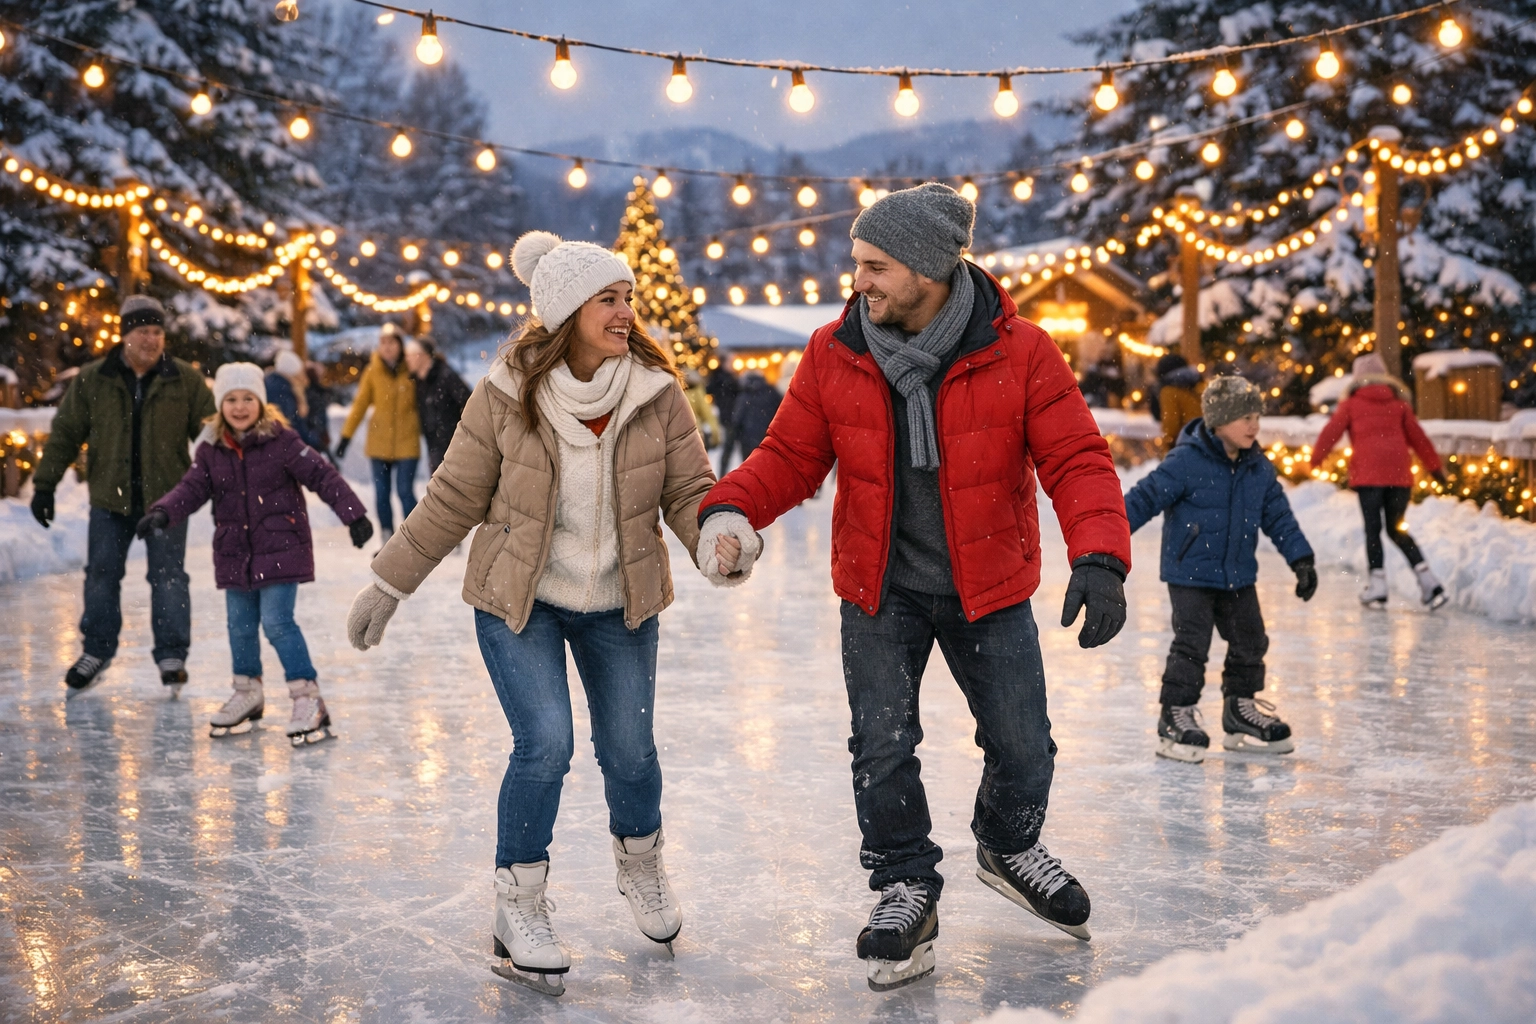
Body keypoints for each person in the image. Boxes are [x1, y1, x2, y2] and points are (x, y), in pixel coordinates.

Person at [699, 183, 1131, 990]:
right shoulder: (836, 351)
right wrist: (729, 509)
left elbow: (1076, 458)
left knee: (1023, 744)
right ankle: (905, 884)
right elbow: (789, 456)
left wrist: (1100, 555)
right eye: (857, 263)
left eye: (875, 266)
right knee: (883, 747)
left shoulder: (1021, 351)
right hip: (882, 588)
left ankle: (1008, 844)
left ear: (928, 267)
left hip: (989, 584)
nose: (857, 280)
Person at [344, 231, 718, 996]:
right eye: (608, 299)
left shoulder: (655, 390)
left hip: (620, 602)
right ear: (567, 311)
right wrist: (389, 583)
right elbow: (453, 497)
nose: (625, 311)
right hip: (521, 599)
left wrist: (717, 537)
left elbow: (689, 491)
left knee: (630, 751)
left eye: (627, 297)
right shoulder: (506, 393)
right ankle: (517, 904)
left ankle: (640, 864)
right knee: (545, 743)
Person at [137, 364, 373, 743]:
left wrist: (354, 515)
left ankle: (308, 698)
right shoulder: (211, 450)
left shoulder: (282, 441)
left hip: (281, 548)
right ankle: (248, 691)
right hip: (235, 553)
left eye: (248, 398)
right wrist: (163, 512)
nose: (240, 406)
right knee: (239, 626)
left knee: (278, 623)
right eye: (231, 399)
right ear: (220, 405)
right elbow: (191, 488)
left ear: (261, 402)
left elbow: (322, 475)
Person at [1124, 375, 1316, 765]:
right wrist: (1104, 538)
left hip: (1238, 574)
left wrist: (1301, 559)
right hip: (1190, 573)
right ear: (1219, 420)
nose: (1254, 426)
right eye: (1246, 418)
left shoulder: (1257, 467)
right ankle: (1175, 714)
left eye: (1257, 417)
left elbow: (1278, 516)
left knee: (1251, 640)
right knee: (1191, 645)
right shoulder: (1186, 461)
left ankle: (1239, 710)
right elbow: (1143, 499)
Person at [30, 295, 216, 697]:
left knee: (168, 578)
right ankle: (96, 651)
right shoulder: (94, 378)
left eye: (157, 332)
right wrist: (45, 485)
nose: (151, 339)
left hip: (166, 501)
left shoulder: (184, 379)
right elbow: (66, 433)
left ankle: (172, 655)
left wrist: (223, 488)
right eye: (143, 331)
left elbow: (211, 438)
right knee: (101, 575)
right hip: (110, 500)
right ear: (125, 335)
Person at [1310, 353, 1448, 609]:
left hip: (1369, 477)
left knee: (1373, 530)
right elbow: (1419, 438)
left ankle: (1378, 585)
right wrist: (1435, 468)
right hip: (1399, 477)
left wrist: (1316, 459)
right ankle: (1428, 581)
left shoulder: (1351, 404)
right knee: (1397, 529)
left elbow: (1331, 432)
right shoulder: (1400, 404)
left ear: (1357, 378)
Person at [337, 323, 420, 542]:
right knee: (382, 493)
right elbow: (360, 405)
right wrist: (346, 437)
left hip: (407, 442)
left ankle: (416, 538)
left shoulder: (411, 370)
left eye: (391, 342)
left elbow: (425, 403)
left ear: (400, 345)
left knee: (405, 491)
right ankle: (387, 537)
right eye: (383, 343)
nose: (387, 347)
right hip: (379, 443)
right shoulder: (372, 371)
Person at [405, 337, 473, 472]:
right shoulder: (418, 381)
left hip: (454, 443)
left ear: (422, 355)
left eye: (410, 355)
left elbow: (469, 402)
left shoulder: (446, 375)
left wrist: (462, 432)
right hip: (434, 443)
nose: (407, 360)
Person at [266, 350, 325, 451]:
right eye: (299, 374)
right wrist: (313, 441)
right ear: (293, 373)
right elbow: (291, 425)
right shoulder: (282, 390)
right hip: (283, 449)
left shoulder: (276, 385)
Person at [726, 370, 781, 469]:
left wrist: (730, 445)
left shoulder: (744, 396)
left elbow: (736, 420)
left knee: (751, 469)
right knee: (768, 469)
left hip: (747, 441)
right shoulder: (772, 393)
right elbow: (781, 414)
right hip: (768, 439)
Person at [1154, 352, 1204, 450]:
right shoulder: (1198, 385)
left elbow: (1171, 424)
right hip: (1206, 438)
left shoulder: (1169, 391)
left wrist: (1168, 444)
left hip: (1187, 443)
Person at [706, 364, 741, 466]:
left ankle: (723, 471)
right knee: (728, 446)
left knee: (728, 447)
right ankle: (723, 471)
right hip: (729, 416)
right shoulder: (728, 379)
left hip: (726, 415)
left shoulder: (718, 377)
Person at [683, 368, 721, 449]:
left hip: (682, 438)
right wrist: (715, 434)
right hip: (696, 434)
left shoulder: (675, 390)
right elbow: (706, 413)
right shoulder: (697, 390)